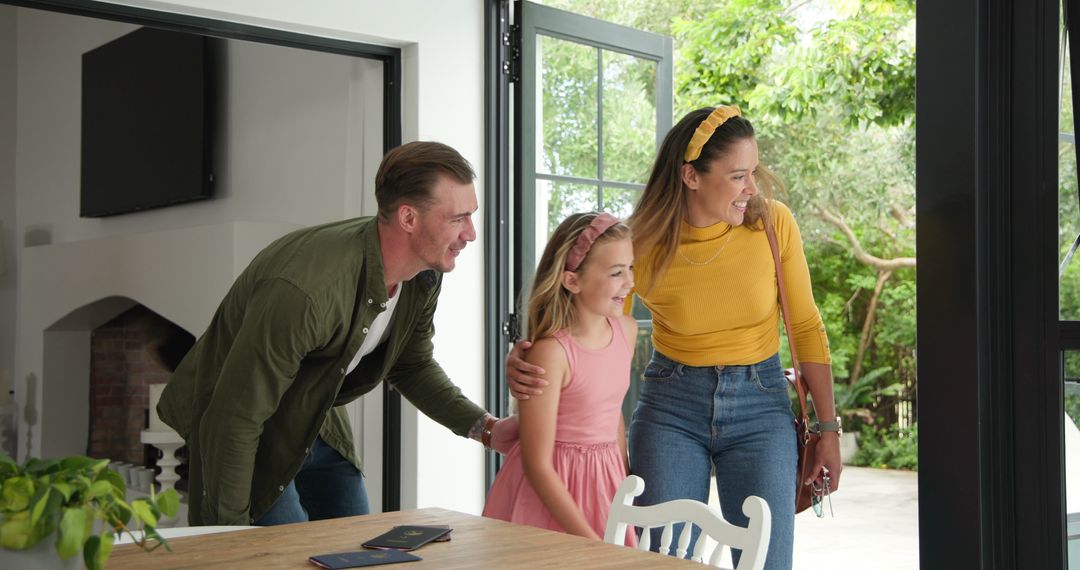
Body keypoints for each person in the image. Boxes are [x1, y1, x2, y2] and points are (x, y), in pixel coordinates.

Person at [507, 106, 841, 569]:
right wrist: (534, 355)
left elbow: (804, 325)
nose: (752, 188)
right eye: (739, 176)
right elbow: (595, 330)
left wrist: (828, 429)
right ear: (692, 176)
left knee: (767, 561)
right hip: (672, 407)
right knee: (662, 559)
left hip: (761, 405)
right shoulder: (641, 240)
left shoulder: (772, 224)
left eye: (754, 173)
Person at [158, 141, 517, 526]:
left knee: (355, 546)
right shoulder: (306, 292)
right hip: (244, 424)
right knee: (282, 553)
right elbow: (235, 416)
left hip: (317, 418)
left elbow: (411, 365)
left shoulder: (423, 276)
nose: (472, 234)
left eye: (471, 216)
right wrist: (226, 539)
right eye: (457, 219)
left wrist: (487, 430)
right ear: (408, 219)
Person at [483, 212, 637, 544]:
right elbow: (537, 464)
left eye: (631, 268)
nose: (630, 282)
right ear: (572, 281)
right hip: (550, 491)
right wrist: (589, 540)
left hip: (605, 483)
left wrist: (622, 488)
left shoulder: (628, 331)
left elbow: (614, 417)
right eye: (616, 273)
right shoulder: (552, 353)